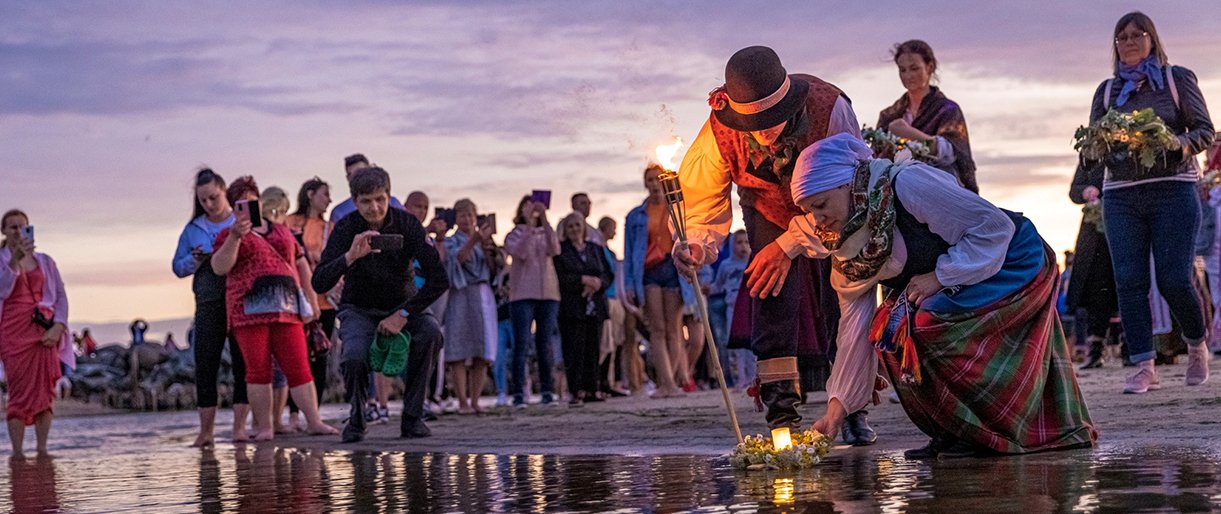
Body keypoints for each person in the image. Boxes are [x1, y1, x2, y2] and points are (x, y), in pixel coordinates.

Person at [785, 133, 1097, 458]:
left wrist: (939, 277)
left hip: (1012, 259)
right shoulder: (850, 246)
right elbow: (854, 332)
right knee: (889, 332)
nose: (819, 220)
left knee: (927, 322)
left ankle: (994, 431)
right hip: (956, 276)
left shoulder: (908, 185)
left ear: (846, 185)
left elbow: (993, 229)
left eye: (821, 205)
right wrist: (836, 412)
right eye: (810, 211)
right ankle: (954, 430)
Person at [674, 46, 859, 432]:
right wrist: (696, 244)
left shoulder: (830, 108)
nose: (761, 131)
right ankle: (781, 420)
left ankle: (852, 409)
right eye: (752, 122)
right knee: (769, 292)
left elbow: (855, 188)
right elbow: (705, 203)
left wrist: (790, 244)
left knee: (842, 300)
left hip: (835, 206)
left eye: (770, 120)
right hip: (767, 209)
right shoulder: (718, 130)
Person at [1079, 12, 1215, 392]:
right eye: (1122, 37)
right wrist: (1092, 148)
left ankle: (1196, 343)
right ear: (1116, 45)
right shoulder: (1106, 92)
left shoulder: (1177, 79)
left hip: (1174, 189)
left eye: (1138, 34)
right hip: (1121, 195)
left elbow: (1204, 130)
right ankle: (1143, 364)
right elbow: (1091, 149)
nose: (1130, 41)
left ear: (1152, 39)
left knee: (1174, 278)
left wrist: (1177, 144)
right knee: (1129, 280)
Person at [313, 167, 448, 442]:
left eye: (380, 199)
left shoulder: (408, 224)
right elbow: (319, 283)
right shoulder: (346, 228)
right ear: (354, 200)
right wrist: (349, 257)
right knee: (353, 356)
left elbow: (439, 280)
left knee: (431, 332)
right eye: (366, 201)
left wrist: (403, 314)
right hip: (359, 308)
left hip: (403, 304)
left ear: (389, 196)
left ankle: (412, 418)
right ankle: (358, 416)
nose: (374, 208)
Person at [210, 177, 335, 441]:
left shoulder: (281, 230)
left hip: (287, 309)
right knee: (257, 370)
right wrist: (235, 237)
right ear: (234, 207)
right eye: (241, 203)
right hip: (248, 312)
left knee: (299, 365)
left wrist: (311, 300)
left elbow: (299, 262)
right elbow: (220, 267)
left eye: (252, 200)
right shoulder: (227, 234)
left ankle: (314, 421)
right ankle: (264, 427)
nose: (248, 206)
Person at [171, 168, 249, 447]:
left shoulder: (241, 220)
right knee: (206, 364)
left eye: (213, 197)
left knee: (243, 363)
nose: (209, 204)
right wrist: (194, 260)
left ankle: (239, 428)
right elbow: (177, 267)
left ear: (224, 191)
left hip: (240, 298)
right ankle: (206, 432)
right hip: (208, 300)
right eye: (203, 200)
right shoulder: (193, 229)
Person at [0, 210, 73, 458]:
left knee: (45, 391)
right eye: (12, 228)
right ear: (3, 231)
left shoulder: (45, 261)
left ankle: (43, 449)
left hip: (43, 329)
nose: (18, 232)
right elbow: (3, 291)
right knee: (18, 392)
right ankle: (17, 452)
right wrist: (14, 261)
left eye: (23, 227)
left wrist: (59, 326)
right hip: (13, 331)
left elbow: (61, 297)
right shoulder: (1, 260)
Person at [625, 165, 692, 398]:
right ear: (645, 183)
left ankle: (670, 381)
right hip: (649, 270)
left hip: (672, 267)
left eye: (657, 179)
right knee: (657, 328)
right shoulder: (636, 215)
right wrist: (630, 285)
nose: (654, 184)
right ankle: (666, 383)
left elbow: (689, 238)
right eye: (650, 180)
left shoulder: (679, 208)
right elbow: (630, 250)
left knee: (674, 328)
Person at [877, 40, 978, 193]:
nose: (908, 75)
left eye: (914, 68)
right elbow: (877, 158)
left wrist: (907, 133)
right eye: (902, 70)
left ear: (929, 67)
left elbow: (951, 153)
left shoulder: (947, 110)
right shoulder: (889, 115)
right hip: (897, 188)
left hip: (940, 186)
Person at [439, 199, 497, 415]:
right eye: (462, 215)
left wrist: (490, 248)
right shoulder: (452, 241)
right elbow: (458, 260)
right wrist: (474, 240)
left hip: (483, 294)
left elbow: (494, 268)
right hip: (460, 293)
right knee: (459, 348)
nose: (467, 220)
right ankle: (462, 401)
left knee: (483, 348)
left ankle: (475, 400)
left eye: (470, 215)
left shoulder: (486, 242)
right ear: (456, 218)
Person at [285, 177, 334, 431]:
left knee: (321, 354)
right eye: (325, 194)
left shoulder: (330, 227)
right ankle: (293, 415)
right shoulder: (290, 222)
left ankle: (314, 414)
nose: (329, 200)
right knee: (297, 355)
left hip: (325, 299)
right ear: (311, 194)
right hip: (297, 299)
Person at [504, 195, 561, 408]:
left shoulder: (546, 232)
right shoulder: (514, 234)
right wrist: (528, 226)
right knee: (521, 343)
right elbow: (521, 253)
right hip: (522, 295)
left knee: (545, 343)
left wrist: (544, 221)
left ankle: (548, 391)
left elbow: (555, 249)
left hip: (548, 294)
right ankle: (518, 393)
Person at [554, 213, 613, 407]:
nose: (574, 229)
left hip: (594, 306)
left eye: (577, 225)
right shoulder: (561, 251)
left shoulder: (595, 249)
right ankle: (575, 389)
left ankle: (592, 388)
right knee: (574, 350)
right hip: (573, 307)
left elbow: (607, 274)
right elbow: (560, 277)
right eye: (570, 226)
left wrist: (597, 283)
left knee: (594, 349)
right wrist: (582, 280)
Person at [1068, 156, 1120, 370]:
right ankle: (1095, 349)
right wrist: (1085, 191)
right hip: (1095, 234)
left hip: (1123, 226)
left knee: (1126, 285)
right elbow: (1074, 191)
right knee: (1097, 290)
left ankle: (1130, 348)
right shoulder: (1091, 156)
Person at [710, 229, 753, 389]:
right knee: (735, 345)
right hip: (732, 309)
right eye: (739, 242)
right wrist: (706, 288)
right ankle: (740, 379)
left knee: (751, 346)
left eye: (746, 242)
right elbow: (718, 286)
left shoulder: (753, 262)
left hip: (750, 309)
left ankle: (754, 378)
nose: (743, 246)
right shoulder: (726, 265)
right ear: (732, 244)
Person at [328, 154, 405, 224]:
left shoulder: (393, 203)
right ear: (347, 178)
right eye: (351, 174)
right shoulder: (339, 212)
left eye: (360, 171)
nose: (356, 177)